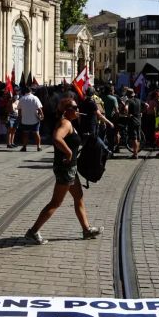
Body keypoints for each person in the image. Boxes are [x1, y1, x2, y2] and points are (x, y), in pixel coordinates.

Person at [25, 97, 103, 245]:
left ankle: (86, 230)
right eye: (74, 108)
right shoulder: (65, 123)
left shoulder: (69, 122)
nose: (77, 110)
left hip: (70, 168)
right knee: (55, 202)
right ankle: (33, 231)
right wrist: (68, 153)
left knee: (78, 197)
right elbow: (57, 138)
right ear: (67, 110)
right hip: (65, 168)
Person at [17, 87, 44, 151]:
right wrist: (42, 115)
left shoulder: (22, 99)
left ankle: (24, 147)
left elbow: (19, 110)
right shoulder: (35, 98)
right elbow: (39, 108)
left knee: (25, 134)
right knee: (36, 133)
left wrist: (20, 118)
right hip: (34, 119)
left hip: (25, 120)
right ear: (31, 91)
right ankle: (38, 147)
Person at [125, 88, 143, 159]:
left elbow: (126, 108)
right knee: (138, 138)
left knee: (134, 137)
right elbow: (147, 105)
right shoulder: (138, 100)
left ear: (128, 95)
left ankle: (135, 154)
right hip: (139, 120)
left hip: (132, 121)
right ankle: (136, 153)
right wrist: (141, 113)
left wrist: (127, 114)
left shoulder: (128, 101)